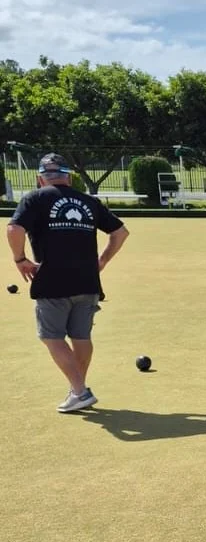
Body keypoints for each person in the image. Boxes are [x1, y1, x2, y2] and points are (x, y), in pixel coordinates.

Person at [6, 152, 129, 412]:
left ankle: (80, 391)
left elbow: (14, 229)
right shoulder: (89, 201)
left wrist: (20, 259)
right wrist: (102, 261)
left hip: (52, 280)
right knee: (81, 336)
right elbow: (120, 232)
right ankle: (77, 390)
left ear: (41, 179)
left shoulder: (34, 198)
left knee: (51, 336)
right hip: (88, 281)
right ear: (69, 178)